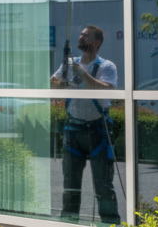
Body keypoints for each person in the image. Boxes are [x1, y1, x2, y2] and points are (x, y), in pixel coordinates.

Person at [50, 25, 120, 224]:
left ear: (96, 43)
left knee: (103, 187)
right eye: (80, 34)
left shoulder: (106, 66)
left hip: (98, 130)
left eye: (85, 35)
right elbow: (52, 83)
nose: (80, 37)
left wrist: (81, 73)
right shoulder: (70, 64)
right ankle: (69, 222)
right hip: (73, 130)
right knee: (70, 186)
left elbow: (106, 90)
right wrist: (64, 81)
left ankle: (110, 223)